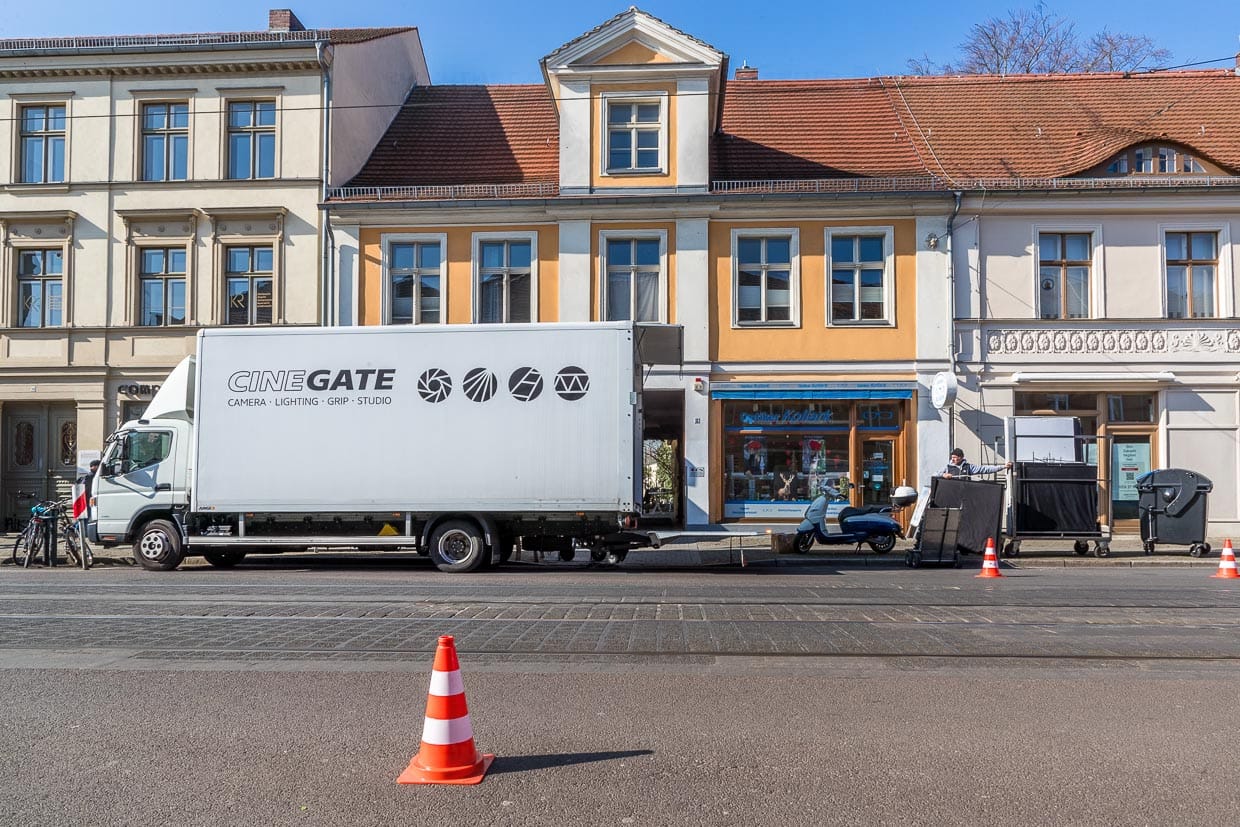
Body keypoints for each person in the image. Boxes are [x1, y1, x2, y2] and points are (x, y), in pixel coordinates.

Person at [940, 447, 1011, 479]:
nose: (952, 459)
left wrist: (1003, 467)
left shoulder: (969, 467)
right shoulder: (947, 467)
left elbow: (985, 469)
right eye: (952, 457)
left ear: (961, 457)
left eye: (954, 457)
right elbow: (935, 475)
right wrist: (943, 475)